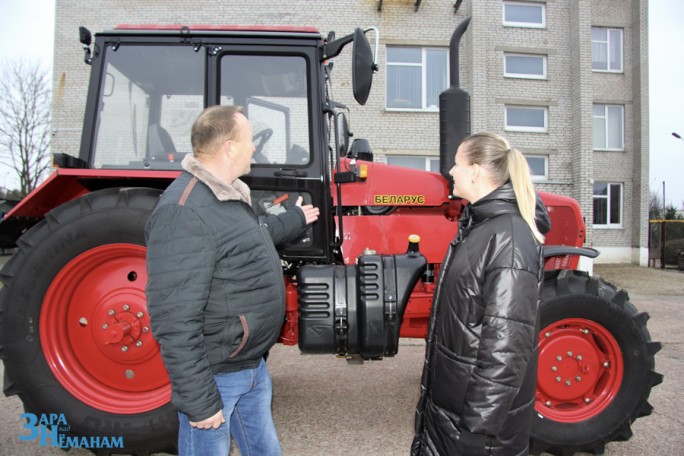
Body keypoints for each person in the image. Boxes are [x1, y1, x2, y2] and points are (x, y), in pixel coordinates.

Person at [145, 105, 319, 456]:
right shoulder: (184, 211)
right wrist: (199, 400)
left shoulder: (226, 197)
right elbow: (175, 318)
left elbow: (256, 233)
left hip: (250, 367)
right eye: (249, 139)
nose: (254, 147)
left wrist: (297, 218)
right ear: (228, 147)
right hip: (218, 377)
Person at [411, 132, 551, 455]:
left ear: (474, 171)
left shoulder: (509, 239)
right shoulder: (478, 226)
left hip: (476, 431)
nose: (450, 171)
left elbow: (506, 349)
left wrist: (476, 430)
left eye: (457, 164)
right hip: (452, 415)